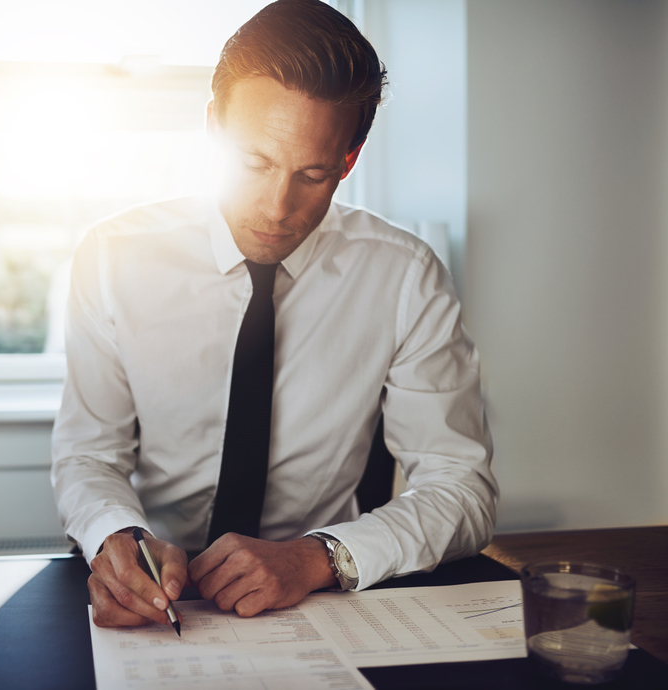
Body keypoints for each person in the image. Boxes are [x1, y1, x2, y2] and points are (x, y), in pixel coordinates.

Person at [51, 0, 498, 631]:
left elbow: (463, 487)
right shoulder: (112, 257)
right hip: (155, 597)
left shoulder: (404, 275)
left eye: (313, 173)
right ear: (214, 129)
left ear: (349, 159)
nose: (277, 206)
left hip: (314, 601)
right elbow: (89, 453)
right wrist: (115, 535)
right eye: (255, 162)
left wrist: (320, 558)